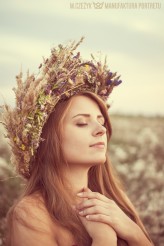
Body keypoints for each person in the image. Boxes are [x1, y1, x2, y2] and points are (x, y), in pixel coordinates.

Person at [2, 38, 153, 246]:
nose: (101, 130)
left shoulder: (113, 201)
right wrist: (104, 238)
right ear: (47, 139)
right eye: (82, 123)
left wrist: (133, 232)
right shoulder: (31, 214)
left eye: (101, 122)